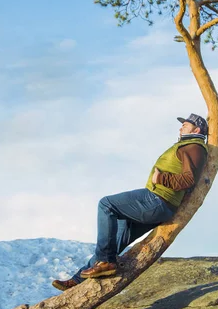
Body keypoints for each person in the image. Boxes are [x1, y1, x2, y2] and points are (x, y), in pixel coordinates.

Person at [52, 113, 208, 291]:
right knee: (115, 240)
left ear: (196, 130)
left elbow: (189, 180)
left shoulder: (194, 147)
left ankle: (105, 262)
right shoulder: (186, 146)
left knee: (106, 204)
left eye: (185, 125)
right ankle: (78, 280)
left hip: (157, 200)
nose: (181, 128)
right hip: (158, 203)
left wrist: (161, 178)